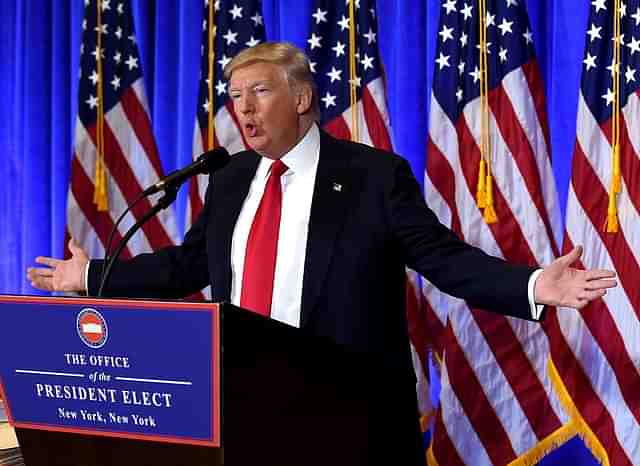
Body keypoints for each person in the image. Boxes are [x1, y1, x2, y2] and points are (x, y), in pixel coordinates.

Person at [28, 42, 616, 465]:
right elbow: (185, 266)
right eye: (235, 96)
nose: (244, 109)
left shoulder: (372, 176)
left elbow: (444, 259)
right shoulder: (230, 180)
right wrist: (91, 276)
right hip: (243, 415)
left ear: (304, 97)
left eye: (260, 91)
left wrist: (536, 284)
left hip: (347, 423)